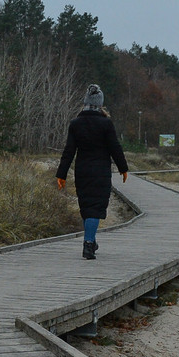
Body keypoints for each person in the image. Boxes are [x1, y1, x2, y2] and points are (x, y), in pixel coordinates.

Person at [55, 84, 129, 260]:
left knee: (87, 207)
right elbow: (115, 148)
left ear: (85, 102)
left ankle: (91, 240)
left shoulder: (75, 124)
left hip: (82, 171)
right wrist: (123, 168)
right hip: (101, 171)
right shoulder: (106, 123)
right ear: (100, 104)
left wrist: (61, 174)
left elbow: (69, 151)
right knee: (95, 208)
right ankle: (88, 244)